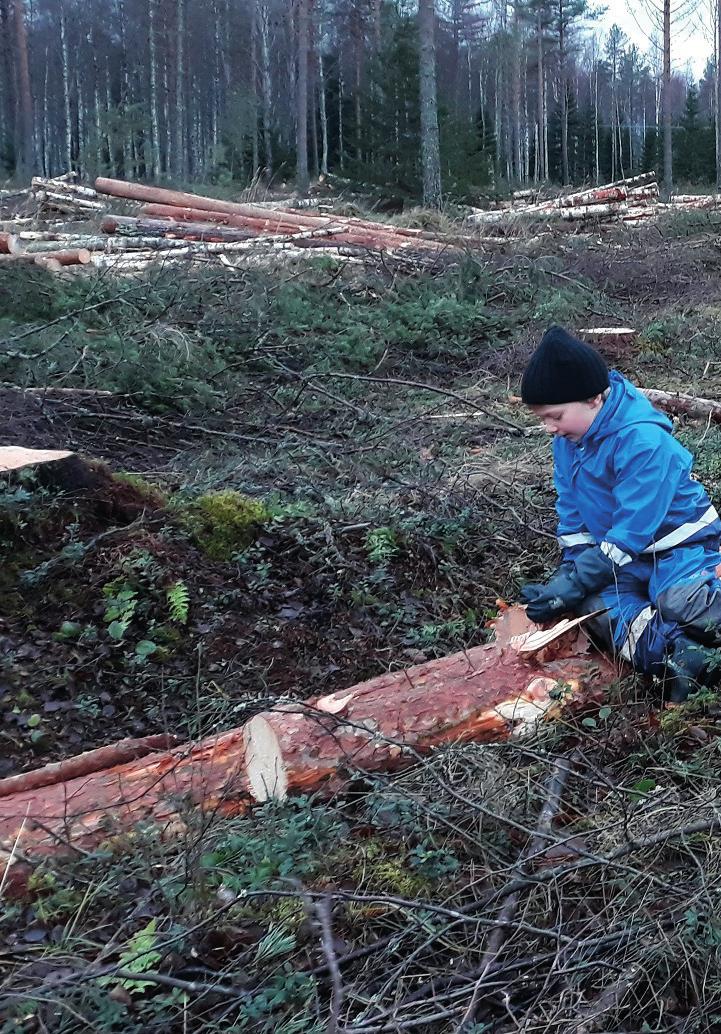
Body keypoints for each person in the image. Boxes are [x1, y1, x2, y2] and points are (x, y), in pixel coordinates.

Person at [519, 325, 721, 702]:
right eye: (543, 417)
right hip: (623, 556)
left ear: (593, 399)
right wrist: (570, 573)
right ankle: (681, 657)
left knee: (676, 600)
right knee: (594, 606)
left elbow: (634, 528)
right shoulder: (569, 443)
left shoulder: (643, 441)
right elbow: (572, 512)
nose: (549, 427)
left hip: (681, 545)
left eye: (555, 415)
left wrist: (581, 577)